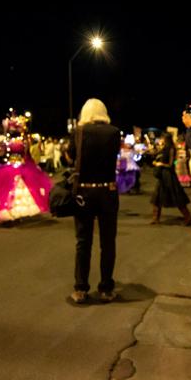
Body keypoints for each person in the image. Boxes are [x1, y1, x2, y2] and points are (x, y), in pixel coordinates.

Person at [66, 98, 121, 304]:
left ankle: (81, 289)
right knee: (107, 242)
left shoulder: (79, 132)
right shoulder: (114, 132)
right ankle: (106, 288)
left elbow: (70, 158)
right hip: (108, 190)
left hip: (84, 193)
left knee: (83, 241)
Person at [0, 109, 52, 225]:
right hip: (13, 168)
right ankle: (7, 214)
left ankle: (12, 214)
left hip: (18, 167)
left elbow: (26, 154)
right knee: (9, 192)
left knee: (12, 193)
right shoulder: (10, 140)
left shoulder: (19, 141)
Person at [150, 132, 191, 225]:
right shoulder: (163, 148)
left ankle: (188, 217)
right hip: (163, 175)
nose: (161, 140)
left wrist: (160, 164)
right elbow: (155, 155)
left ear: (166, 139)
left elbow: (170, 164)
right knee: (157, 196)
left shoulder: (171, 149)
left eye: (162, 138)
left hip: (169, 175)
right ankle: (155, 218)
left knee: (177, 196)